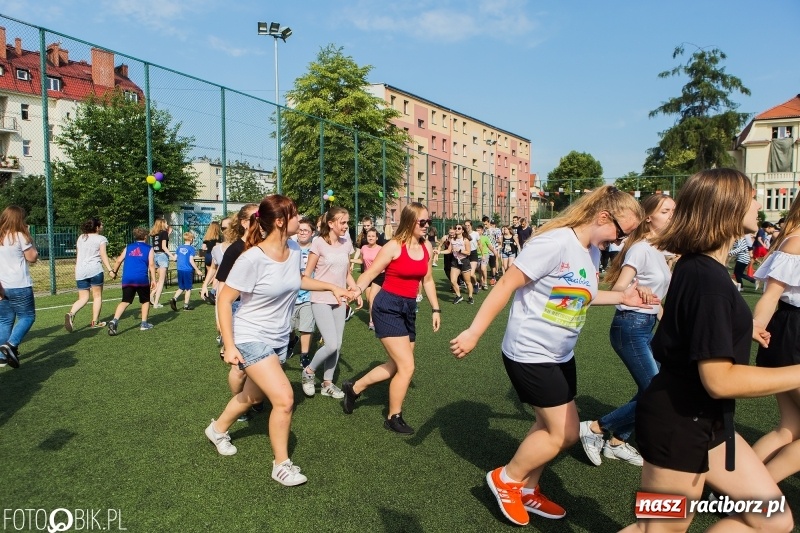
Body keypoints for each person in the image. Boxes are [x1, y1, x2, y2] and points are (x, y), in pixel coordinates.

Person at [450, 185, 648, 527]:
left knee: (547, 425)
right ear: (603, 216)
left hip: (560, 354)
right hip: (530, 352)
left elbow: (577, 296)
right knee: (565, 434)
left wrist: (621, 298)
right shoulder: (554, 242)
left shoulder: (591, 252)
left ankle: (528, 488)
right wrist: (474, 332)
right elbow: (505, 285)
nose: (618, 241)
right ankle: (506, 480)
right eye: (620, 232)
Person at [620, 169, 797, 533]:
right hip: (679, 425)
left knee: (773, 520)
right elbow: (719, 380)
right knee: (655, 529)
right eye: (751, 197)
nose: (758, 204)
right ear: (727, 207)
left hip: (709, 423)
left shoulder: (704, 268)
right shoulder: (706, 278)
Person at [204, 195, 353, 486]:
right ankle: (281, 464)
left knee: (254, 396)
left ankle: (217, 429)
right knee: (284, 399)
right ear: (282, 221)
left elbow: (297, 281)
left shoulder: (294, 249)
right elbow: (224, 299)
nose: (302, 220)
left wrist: (334, 288)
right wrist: (230, 344)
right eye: (296, 215)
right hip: (250, 336)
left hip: (278, 340)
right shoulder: (252, 258)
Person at [578, 194, 675, 467]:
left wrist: (660, 310)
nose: (672, 215)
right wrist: (638, 289)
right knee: (658, 393)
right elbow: (619, 289)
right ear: (648, 217)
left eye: (673, 211)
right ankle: (595, 428)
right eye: (666, 211)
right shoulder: (640, 249)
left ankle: (618, 441)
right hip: (629, 327)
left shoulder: (658, 249)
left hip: (646, 326)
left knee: (650, 389)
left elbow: (656, 294)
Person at [342, 203, 441, 434]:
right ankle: (393, 417)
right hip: (387, 307)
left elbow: (427, 281)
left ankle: (354, 388)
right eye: (422, 222)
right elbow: (371, 272)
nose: (427, 227)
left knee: (397, 364)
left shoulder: (426, 246)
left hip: (408, 309)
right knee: (407, 366)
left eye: (429, 222)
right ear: (409, 222)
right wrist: (357, 290)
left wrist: (436, 309)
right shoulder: (394, 246)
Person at [751, 194, 800, 487]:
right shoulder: (796, 242)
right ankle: (747, 494)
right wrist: (757, 325)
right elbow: (770, 297)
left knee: (790, 428)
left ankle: (731, 491)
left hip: (790, 333)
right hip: (793, 336)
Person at [300, 206, 362, 399]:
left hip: (340, 299)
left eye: (347, 222)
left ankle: (327, 383)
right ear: (331, 223)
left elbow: (346, 272)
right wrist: (330, 287)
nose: (346, 226)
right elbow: (306, 277)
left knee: (338, 343)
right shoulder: (318, 243)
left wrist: (356, 290)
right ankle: (309, 372)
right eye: (342, 222)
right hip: (321, 299)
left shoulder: (346, 242)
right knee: (331, 344)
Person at [0, 205, 38, 368]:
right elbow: (32, 257)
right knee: (27, 317)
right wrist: (30, 237)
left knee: (4, 321)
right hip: (20, 284)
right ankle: (11, 344)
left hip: (2, 285)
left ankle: (2, 356)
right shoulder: (20, 236)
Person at [65, 217, 115, 332]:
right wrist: (110, 270)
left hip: (80, 270)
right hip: (95, 269)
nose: (102, 226)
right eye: (101, 225)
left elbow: (78, 255)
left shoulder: (81, 237)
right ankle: (95, 321)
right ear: (96, 227)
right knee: (97, 296)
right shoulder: (101, 238)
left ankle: (71, 313)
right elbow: (103, 255)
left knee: (83, 298)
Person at [107, 227, 156, 335]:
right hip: (141, 279)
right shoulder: (149, 248)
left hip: (128, 278)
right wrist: (153, 279)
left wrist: (114, 272)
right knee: (145, 300)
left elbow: (119, 260)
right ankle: (144, 324)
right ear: (145, 237)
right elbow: (151, 264)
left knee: (125, 301)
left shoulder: (128, 247)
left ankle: (114, 320)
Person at [290, 217, 317, 369]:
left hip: (309, 294)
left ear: (312, 233)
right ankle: (292, 340)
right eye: (300, 230)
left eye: (306, 230)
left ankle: (304, 355)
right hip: (291, 295)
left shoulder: (315, 249)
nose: (302, 233)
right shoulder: (290, 247)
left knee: (306, 327)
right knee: (288, 327)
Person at [354, 227, 384, 331]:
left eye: (372, 236)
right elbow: (362, 261)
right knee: (369, 299)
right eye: (369, 236)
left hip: (379, 276)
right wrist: (349, 260)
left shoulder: (381, 249)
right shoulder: (363, 248)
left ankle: (372, 321)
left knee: (372, 298)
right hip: (367, 276)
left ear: (376, 238)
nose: (370, 238)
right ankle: (376, 315)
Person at [200, 217, 233, 305]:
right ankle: (213, 292)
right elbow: (213, 268)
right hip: (222, 292)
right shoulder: (216, 249)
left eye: (230, 227)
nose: (226, 231)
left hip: (238, 292)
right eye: (223, 228)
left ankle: (213, 291)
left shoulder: (243, 246)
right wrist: (205, 285)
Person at [169, 232, 204, 311]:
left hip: (180, 269)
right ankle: (186, 306)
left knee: (181, 287)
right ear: (191, 239)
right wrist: (197, 270)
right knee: (188, 288)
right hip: (188, 270)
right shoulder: (191, 249)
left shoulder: (179, 247)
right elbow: (191, 260)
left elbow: (174, 258)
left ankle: (174, 298)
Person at [442, 224, 474, 304]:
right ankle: (459, 296)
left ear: (462, 231)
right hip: (455, 262)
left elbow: (468, 252)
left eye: (459, 228)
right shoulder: (452, 240)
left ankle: (470, 297)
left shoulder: (465, 240)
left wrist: (460, 250)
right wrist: (439, 252)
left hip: (464, 261)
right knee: (453, 281)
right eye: (455, 228)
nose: (456, 229)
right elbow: (449, 251)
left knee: (467, 282)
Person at [149, 218, 176, 308]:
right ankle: (156, 303)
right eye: (166, 223)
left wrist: (169, 233)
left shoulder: (154, 234)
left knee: (161, 280)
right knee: (161, 281)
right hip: (162, 256)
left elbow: (159, 243)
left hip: (155, 256)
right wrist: (172, 256)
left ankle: (151, 295)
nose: (167, 224)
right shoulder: (164, 233)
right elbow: (164, 247)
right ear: (162, 223)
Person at [475, 225, 498, 290]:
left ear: (482, 231)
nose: (477, 232)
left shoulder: (485, 238)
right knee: (479, 270)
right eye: (476, 230)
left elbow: (489, 246)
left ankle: (485, 282)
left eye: (479, 230)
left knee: (483, 268)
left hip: (485, 255)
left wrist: (494, 251)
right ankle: (481, 282)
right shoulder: (474, 237)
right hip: (477, 255)